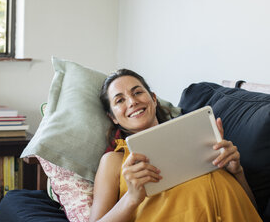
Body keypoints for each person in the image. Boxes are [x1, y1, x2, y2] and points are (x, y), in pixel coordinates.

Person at [89, 69, 262, 222]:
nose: (132, 102)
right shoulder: (114, 160)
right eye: (119, 100)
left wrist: (237, 172)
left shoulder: (201, 135)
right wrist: (131, 198)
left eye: (137, 92)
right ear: (112, 117)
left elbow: (251, 208)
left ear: (154, 99)